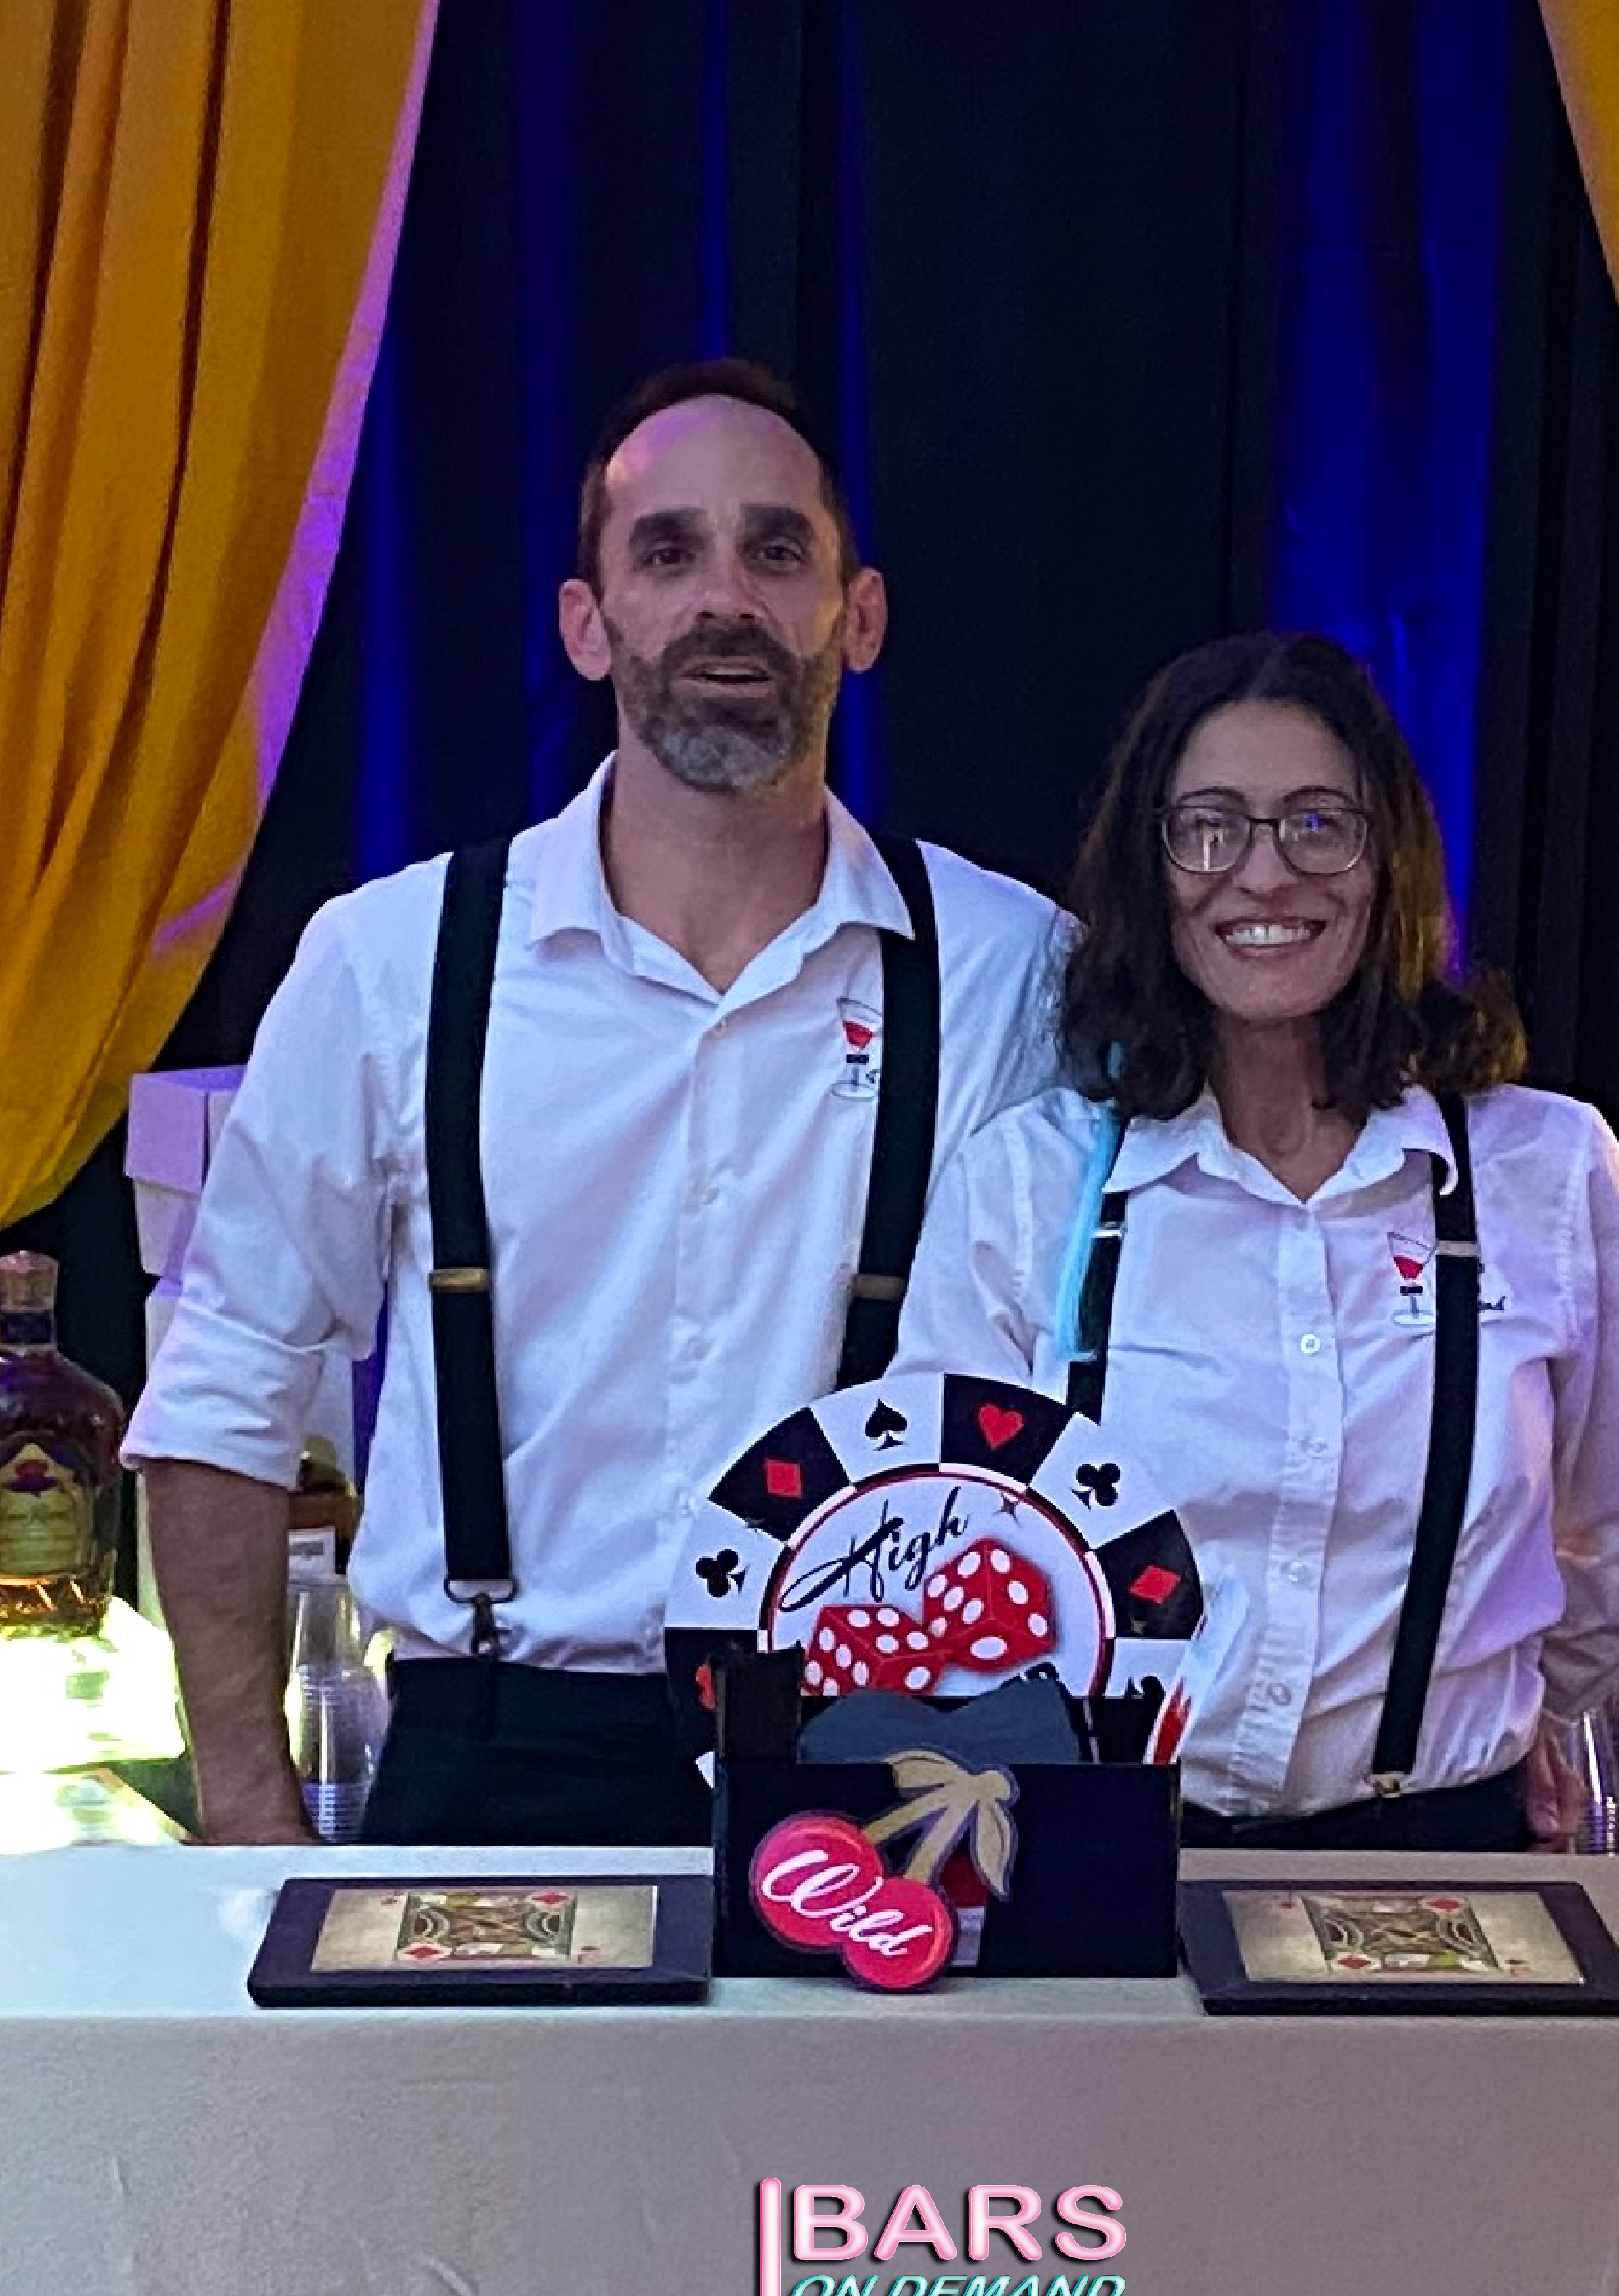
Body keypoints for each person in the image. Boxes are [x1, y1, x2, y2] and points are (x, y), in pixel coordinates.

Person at [127, 359, 1065, 1846]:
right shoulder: (394, 961)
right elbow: (226, 1380)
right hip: (496, 1754)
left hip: (877, 1759)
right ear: (588, 622)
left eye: (777, 551)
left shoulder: (1012, 971)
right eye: (668, 553)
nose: (725, 600)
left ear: (862, 615)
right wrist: (247, 1814)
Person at [897, 629, 1619, 1848]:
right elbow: (940, 1538)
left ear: (1388, 862)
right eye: (1209, 827)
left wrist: (1492, 1709)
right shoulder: (1029, 1180)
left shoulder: (1548, 1167)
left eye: (1318, 824)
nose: (1263, 875)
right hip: (1096, 1848)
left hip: (1441, 1854)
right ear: (1150, 869)